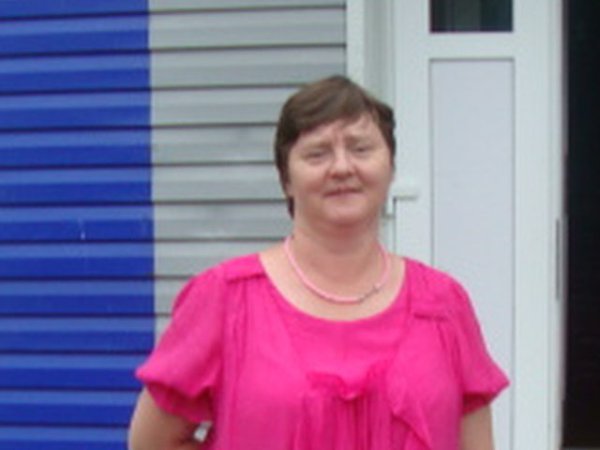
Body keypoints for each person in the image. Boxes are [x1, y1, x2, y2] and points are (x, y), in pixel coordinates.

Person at [128, 75, 509, 450]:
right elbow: (151, 444)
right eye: (317, 153)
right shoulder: (225, 299)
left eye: (361, 149)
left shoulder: (444, 304)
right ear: (286, 179)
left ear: (390, 169)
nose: (342, 167)